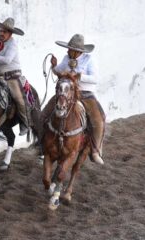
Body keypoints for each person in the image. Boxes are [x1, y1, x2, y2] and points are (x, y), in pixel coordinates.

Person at [47, 34, 105, 164]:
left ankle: (95, 151)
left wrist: (79, 76)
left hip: (85, 93)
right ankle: (42, 144)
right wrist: (54, 67)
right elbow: (59, 71)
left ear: (77, 51)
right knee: (46, 112)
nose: (67, 51)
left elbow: (95, 78)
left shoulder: (89, 60)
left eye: (70, 49)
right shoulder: (66, 58)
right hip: (67, 93)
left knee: (99, 120)